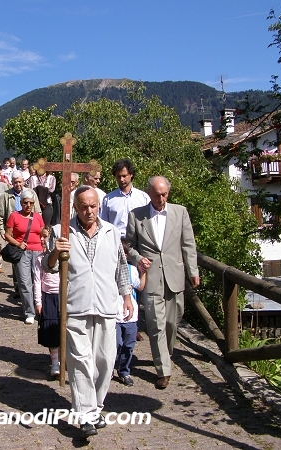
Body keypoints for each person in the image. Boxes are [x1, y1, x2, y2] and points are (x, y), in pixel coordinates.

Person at [43, 186, 133, 438]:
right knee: (80, 361)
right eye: (83, 206)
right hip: (76, 305)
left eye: (93, 206)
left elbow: (122, 269)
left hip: (106, 304)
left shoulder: (111, 232)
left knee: (104, 361)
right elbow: (47, 267)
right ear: (75, 208)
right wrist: (55, 252)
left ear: (99, 206)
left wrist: (126, 296)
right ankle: (85, 417)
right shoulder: (64, 232)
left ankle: (95, 408)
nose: (89, 211)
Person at [125, 176, 199, 390]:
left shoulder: (180, 212)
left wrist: (192, 271)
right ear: (149, 193)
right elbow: (128, 247)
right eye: (157, 194)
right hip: (151, 278)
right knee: (156, 324)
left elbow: (188, 244)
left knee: (172, 323)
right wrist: (139, 259)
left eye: (164, 194)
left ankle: (165, 354)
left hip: (174, 276)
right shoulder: (136, 216)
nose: (161, 198)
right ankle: (163, 370)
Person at [5, 189, 44, 324]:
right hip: (22, 252)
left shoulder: (38, 216)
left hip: (38, 252)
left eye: (31, 203)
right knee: (24, 281)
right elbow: (7, 235)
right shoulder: (14, 216)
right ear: (20, 202)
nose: (28, 205)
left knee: (38, 281)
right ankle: (29, 311)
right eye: (26, 202)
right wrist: (18, 243)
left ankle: (40, 308)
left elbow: (42, 231)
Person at [115, 240, 146, 387]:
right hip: (113, 313)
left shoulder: (131, 269)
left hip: (130, 315)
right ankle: (110, 368)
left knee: (128, 345)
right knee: (116, 344)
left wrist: (144, 272)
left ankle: (124, 371)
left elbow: (139, 286)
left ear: (126, 255)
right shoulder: (107, 270)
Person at [32, 226, 60, 377]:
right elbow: (37, 281)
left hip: (62, 297)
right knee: (51, 332)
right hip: (47, 296)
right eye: (41, 236)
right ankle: (54, 361)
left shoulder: (63, 258)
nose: (42, 239)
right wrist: (38, 301)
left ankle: (64, 358)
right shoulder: (39, 259)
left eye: (45, 237)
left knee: (63, 328)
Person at [100, 158, 150, 237]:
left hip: (138, 241)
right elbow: (103, 223)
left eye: (124, 176)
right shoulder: (108, 199)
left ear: (131, 174)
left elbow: (149, 222)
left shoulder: (143, 198)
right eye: (118, 176)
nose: (121, 179)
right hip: (116, 240)